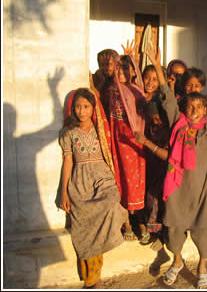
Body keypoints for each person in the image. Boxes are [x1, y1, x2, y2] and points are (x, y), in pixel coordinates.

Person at [145, 41, 207, 289]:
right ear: (185, 109)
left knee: (203, 231)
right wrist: (155, 63)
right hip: (178, 189)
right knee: (174, 229)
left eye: (199, 107)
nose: (194, 110)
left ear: (206, 109)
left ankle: (202, 266)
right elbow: (167, 95)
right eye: (191, 106)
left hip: (203, 191)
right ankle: (178, 260)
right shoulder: (178, 123)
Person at [58, 88, 128, 289]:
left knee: (111, 203)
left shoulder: (102, 130)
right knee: (84, 225)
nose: (81, 111)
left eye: (86, 106)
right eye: (78, 107)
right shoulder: (69, 133)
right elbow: (68, 162)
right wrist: (64, 192)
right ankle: (92, 278)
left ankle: (94, 276)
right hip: (80, 181)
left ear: (93, 108)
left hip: (102, 178)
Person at [102, 54, 147, 242]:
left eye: (126, 68)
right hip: (118, 142)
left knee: (136, 181)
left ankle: (139, 219)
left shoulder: (136, 90)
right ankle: (127, 221)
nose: (122, 72)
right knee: (121, 179)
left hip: (135, 143)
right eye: (119, 68)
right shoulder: (111, 90)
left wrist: (135, 59)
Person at [134, 98, 170, 245]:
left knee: (158, 199)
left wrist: (147, 143)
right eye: (152, 118)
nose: (155, 121)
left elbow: (167, 155)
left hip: (165, 170)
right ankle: (154, 230)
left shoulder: (169, 131)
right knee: (151, 198)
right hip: (153, 168)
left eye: (157, 118)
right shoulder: (151, 128)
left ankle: (161, 232)